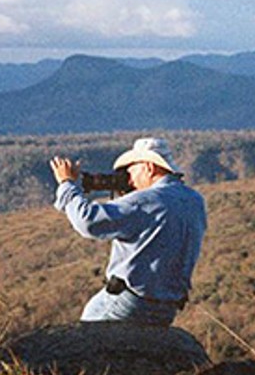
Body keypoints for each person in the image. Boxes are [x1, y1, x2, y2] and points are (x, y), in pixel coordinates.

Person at [50, 137, 207, 326]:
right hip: (167, 309)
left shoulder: (147, 200)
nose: (128, 179)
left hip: (130, 304)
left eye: (131, 170)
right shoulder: (195, 200)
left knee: (86, 331)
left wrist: (67, 184)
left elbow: (87, 222)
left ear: (149, 167)